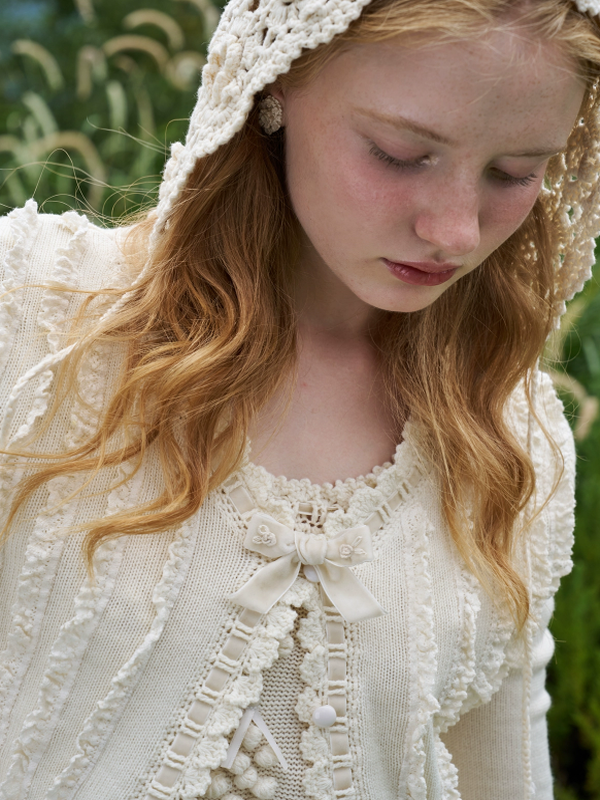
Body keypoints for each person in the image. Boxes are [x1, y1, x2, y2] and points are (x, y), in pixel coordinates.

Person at [0, 0, 599, 797]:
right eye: (399, 153)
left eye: (515, 172)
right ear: (274, 85)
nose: (456, 230)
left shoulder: (511, 435)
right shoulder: (38, 315)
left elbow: (503, 771)